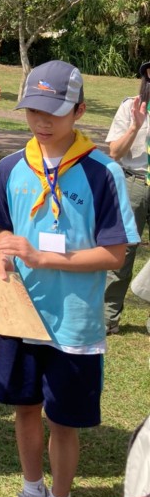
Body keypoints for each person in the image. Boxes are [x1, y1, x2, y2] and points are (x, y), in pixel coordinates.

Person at [0, 60, 139, 497]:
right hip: (19, 318)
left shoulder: (102, 172)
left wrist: (43, 255)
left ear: (79, 109)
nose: (41, 122)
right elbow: (4, 235)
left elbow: (115, 254)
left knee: (63, 420)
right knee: (25, 408)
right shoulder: (11, 167)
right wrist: (4, 258)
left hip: (73, 322)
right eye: (32, 110)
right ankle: (31, 493)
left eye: (52, 111)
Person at [103, 61, 150, 334]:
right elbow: (115, 153)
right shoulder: (129, 107)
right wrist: (135, 127)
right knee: (124, 249)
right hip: (135, 183)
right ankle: (109, 317)